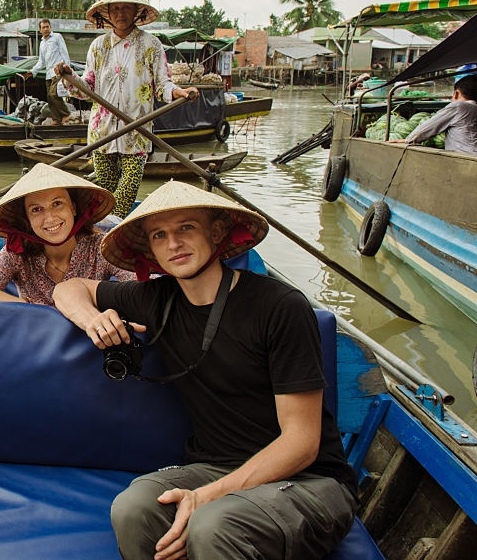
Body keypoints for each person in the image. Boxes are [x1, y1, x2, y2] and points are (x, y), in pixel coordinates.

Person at [52, 180, 358, 559]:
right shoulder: (156, 299)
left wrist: (209, 496)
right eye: (159, 235)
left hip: (308, 481)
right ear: (150, 250)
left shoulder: (279, 307)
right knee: (132, 508)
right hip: (216, 467)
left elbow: (302, 442)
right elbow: (69, 289)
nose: (174, 244)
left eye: (186, 228)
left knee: (214, 525)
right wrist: (93, 320)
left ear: (216, 232)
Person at [56, 0, 198, 216]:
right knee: (105, 191)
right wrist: (68, 76)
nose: (120, 14)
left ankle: (110, 233)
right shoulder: (98, 47)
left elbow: (162, 85)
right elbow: (87, 88)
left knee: (127, 191)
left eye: (126, 8)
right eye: (115, 9)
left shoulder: (151, 45)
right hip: (102, 131)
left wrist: (178, 92)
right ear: (108, 15)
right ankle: (104, 234)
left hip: (137, 129)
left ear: (136, 12)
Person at [0, 163, 136, 307]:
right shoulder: (18, 254)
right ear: (27, 219)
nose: (50, 218)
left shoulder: (101, 247)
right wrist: (25, 307)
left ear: (73, 208)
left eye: (57, 204)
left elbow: (141, 288)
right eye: (36, 210)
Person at [391, 74, 477, 154]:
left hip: (465, 158)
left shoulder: (458, 107)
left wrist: (409, 139)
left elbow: (428, 127)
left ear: (456, 93)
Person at [24, 19, 72, 124]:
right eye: (43, 27)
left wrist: (66, 68)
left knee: (53, 95)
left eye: (47, 27)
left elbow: (65, 53)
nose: (46, 29)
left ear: (50, 27)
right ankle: (57, 119)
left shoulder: (57, 37)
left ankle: (66, 114)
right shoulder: (42, 44)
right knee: (49, 99)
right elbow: (41, 62)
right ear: (40, 30)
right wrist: (32, 71)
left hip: (59, 71)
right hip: (49, 74)